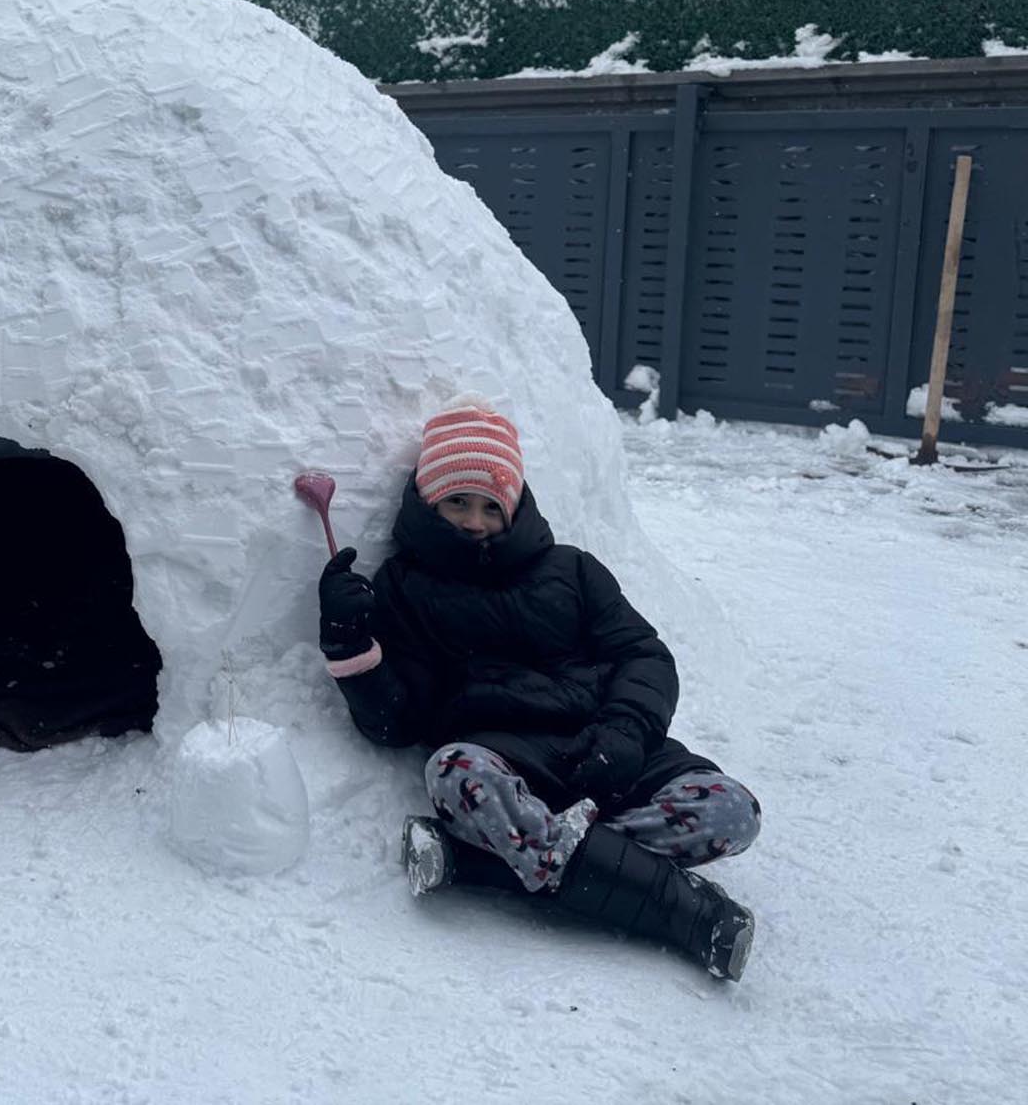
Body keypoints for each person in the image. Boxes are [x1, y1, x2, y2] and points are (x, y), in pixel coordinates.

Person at [317, 397, 761, 980]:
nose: (475, 520)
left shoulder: (574, 570)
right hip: (505, 760)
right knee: (452, 772)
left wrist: (625, 734)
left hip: (609, 747)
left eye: (489, 505)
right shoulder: (405, 587)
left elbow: (642, 655)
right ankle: (687, 913)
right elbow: (398, 719)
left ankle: (482, 863)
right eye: (457, 503)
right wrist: (349, 644)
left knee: (733, 810)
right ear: (429, 501)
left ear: (514, 504)